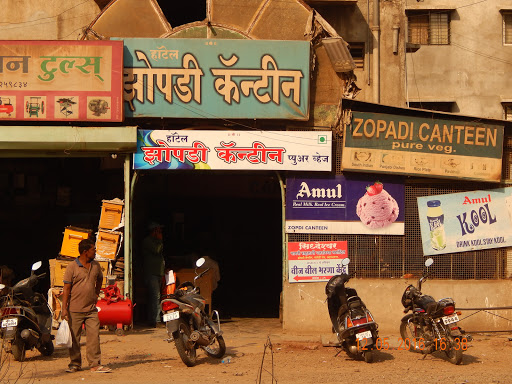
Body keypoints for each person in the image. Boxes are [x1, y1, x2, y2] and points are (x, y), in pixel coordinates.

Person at [61, 239, 111, 373]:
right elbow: (66, 289)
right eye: (93, 249)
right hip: (74, 309)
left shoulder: (95, 265)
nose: (95, 252)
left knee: (94, 336)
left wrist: (96, 294)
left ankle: (95, 364)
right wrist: (64, 308)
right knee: (74, 338)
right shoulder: (72, 267)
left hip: (91, 309)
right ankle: (75, 363)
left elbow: (100, 278)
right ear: (85, 252)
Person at [142, 221, 165, 327]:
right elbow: (157, 250)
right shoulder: (148, 241)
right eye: (158, 230)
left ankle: (153, 319)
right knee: (155, 296)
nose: (160, 232)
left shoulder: (154, 241)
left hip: (158, 272)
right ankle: (156, 320)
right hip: (151, 272)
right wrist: (160, 241)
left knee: (155, 297)